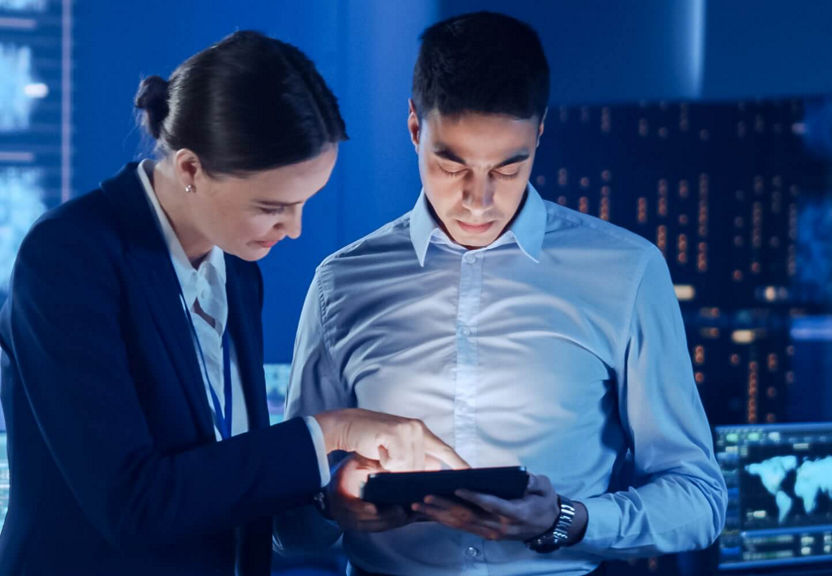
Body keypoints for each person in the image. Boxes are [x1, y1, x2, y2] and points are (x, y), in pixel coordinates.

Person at [0, 30, 466, 575]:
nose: (293, 229)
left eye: (304, 203)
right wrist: (330, 430)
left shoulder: (235, 267)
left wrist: (333, 497)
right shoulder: (70, 256)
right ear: (191, 168)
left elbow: (223, 470)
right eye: (272, 207)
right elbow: (132, 504)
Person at [275, 11, 727, 575]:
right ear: (414, 129)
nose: (478, 200)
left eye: (508, 168)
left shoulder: (627, 272)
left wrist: (566, 519)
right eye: (451, 163)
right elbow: (289, 524)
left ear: (540, 134)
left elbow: (700, 500)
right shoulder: (341, 284)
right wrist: (329, 504)